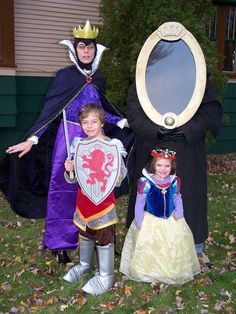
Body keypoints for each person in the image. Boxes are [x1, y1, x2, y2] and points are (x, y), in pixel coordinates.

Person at [2, 20, 132, 264]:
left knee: (98, 190)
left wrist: (122, 122)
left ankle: (99, 238)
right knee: (64, 190)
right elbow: (50, 111)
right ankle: (61, 243)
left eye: (90, 47)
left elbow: (101, 110)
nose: (86, 51)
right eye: (81, 46)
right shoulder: (65, 77)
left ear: (95, 50)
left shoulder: (99, 77)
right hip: (69, 139)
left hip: (96, 141)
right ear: (74, 49)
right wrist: (32, 138)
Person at [126, 76, 223, 266]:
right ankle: (146, 249)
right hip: (152, 145)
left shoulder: (195, 71)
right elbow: (134, 110)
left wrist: (188, 130)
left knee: (189, 196)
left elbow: (209, 108)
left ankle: (194, 248)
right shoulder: (146, 74)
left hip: (188, 148)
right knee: (150, 197)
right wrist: (154, 130)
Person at [63, 104, 127, 296]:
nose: (89, 126)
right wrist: (70, 169)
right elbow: (74, 179)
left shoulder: (113, 145)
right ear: (81, 125)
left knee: (104, 235)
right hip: (84, 200)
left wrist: (115, 175)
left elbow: (120, 174)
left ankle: (106, 275)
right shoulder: (78, 145)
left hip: (103, 203)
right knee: (85, 232)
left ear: (101, 123)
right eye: (85, 122)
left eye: (94, 121)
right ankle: (84, 264)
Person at [120, 148, 201, 284]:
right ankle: (147, 270)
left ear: (172, 166)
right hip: (151, 220)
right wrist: (139, 221)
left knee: (173, 244)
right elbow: (139, 203)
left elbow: (177, 197)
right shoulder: (146, 182)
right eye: (159, 165)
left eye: (167, 166)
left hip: (171, 220)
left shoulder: (174, 181)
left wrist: (179, 210)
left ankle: (171, 270)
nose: (163, 169)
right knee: (150, 245)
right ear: (153, 165)